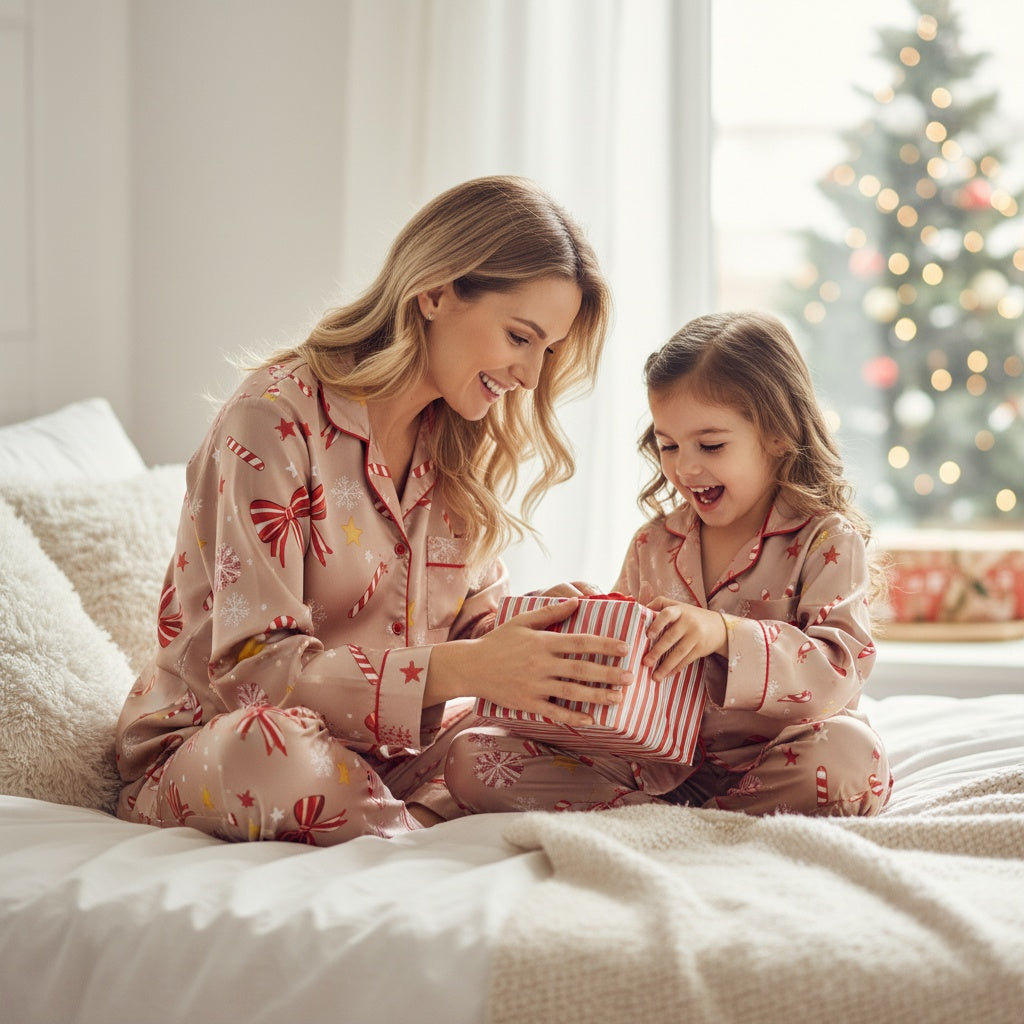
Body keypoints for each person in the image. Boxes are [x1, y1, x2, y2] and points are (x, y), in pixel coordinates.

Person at [114, 175, 630, 845]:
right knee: (270, 751)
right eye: (520, 337)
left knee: (562, 758)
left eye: (549, 351)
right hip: (228, 742)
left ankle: (402, 820)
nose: (531, 377)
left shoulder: (456, 443)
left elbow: (466, 625)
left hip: (393, 760)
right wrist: (470, 668)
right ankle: (418, 838)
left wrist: (542, 629)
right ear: (437, 290)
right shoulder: (270, 418)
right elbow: (256, 675)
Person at [444, 311, 892, 817]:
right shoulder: (653, 543)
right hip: (651, 767)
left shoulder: (826, 539)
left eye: (712, 445)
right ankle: (652, 816)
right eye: (668, 445)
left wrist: (725, 633)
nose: (685, 467)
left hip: (774, 762)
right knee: (473, 757)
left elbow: (840, 670)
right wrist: (588, 620)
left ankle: (686, 819)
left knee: (852, 755)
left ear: (778, 434)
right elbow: (625, 679)